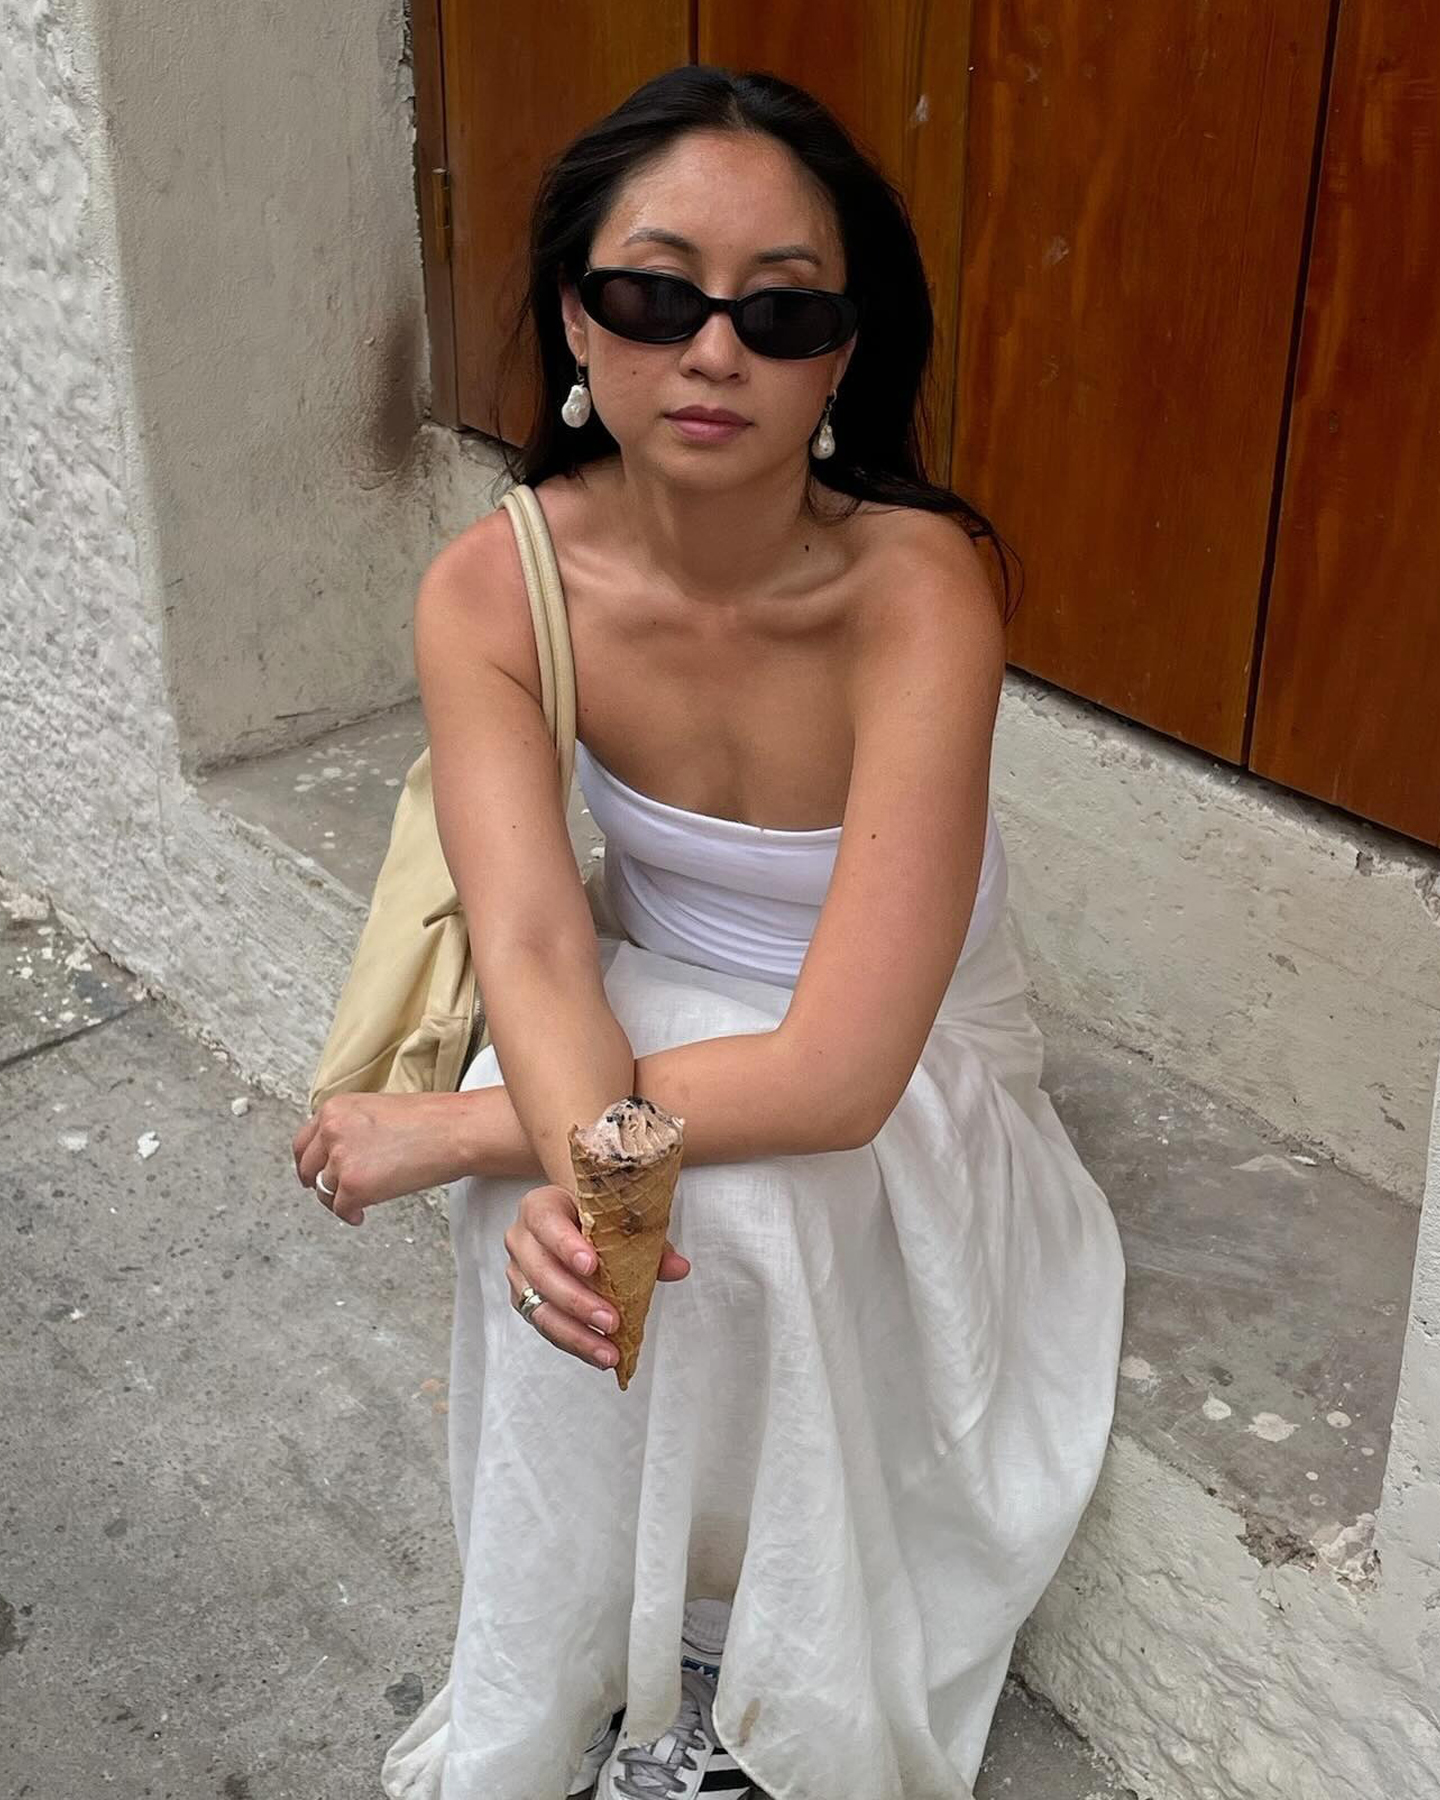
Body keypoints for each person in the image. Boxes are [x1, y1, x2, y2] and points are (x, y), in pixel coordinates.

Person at [295, 63, 1125, 1800]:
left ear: (841, 354)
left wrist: (464, 1129)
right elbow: (527, 944)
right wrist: (576, 1162)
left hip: (901, 1061)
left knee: (712, 1186)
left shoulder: (918, 586)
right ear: (579, 327)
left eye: (782, 307)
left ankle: (771, 1699)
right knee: (571, 1183)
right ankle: (574, 1668)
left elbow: (834, 1074)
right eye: (655, 294)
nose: (714, 349)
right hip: (644, 1001)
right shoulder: (494, 588)